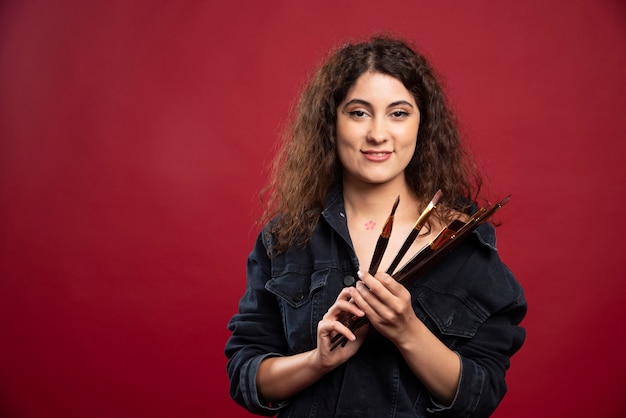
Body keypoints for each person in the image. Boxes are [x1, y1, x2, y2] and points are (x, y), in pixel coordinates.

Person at [225, 35, 526, 417]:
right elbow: (245, 376)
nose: (378, 134)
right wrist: (317, 360)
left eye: (398, 113)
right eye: (358, 112)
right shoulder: (286, 239)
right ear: (330, 123)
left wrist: (407, 331)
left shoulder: (463, 242)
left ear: (423, 124)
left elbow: (480, 395)